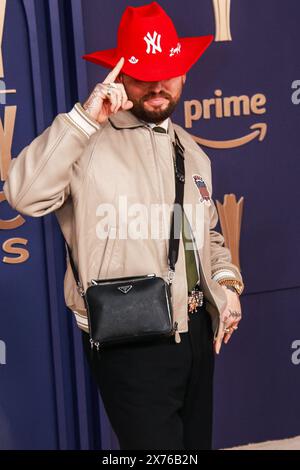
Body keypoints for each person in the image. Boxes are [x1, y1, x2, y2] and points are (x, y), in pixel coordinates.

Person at [3, 2, 244, 450]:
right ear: (120, 74)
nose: (156, 86)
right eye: (142, 74)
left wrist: (227, 284)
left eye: (167, 72)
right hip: (128, 335)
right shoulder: (85, 141)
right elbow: (24, 193)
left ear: (184, 73)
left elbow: (206, 234)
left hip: (194, 332)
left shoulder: (193, 153)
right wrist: (82, 120)